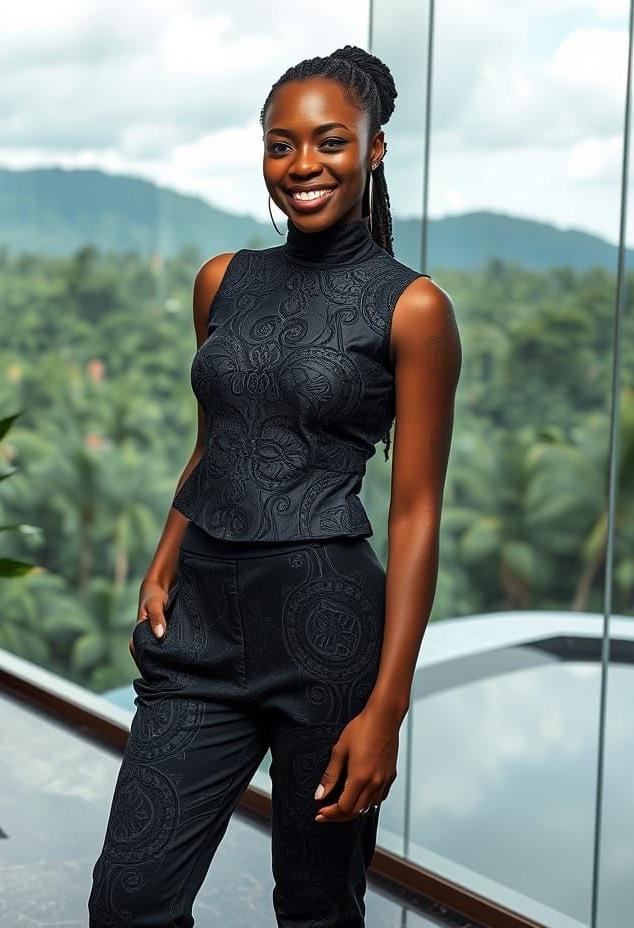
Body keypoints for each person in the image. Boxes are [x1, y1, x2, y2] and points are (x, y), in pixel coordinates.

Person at [88, 45, 461, 927]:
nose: (302, 166)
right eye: (280, 144)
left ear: (373, 149)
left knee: (316, 906)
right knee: (129, 901)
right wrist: (163, 559)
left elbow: (415, 516)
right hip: (202, 629)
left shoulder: (413, 309)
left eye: (329, 142)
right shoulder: (224, 280)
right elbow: (216, 440)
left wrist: (387, 710)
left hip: (327, 631)